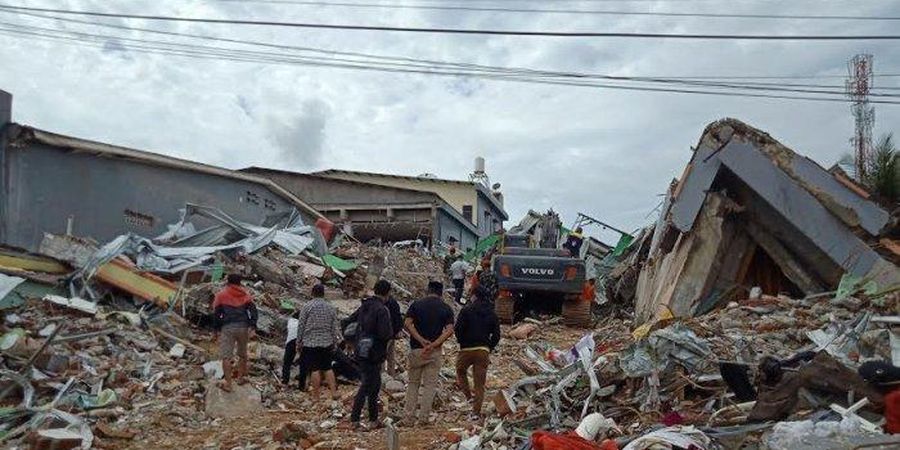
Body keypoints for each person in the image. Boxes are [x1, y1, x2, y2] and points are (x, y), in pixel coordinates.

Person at [404, 281, 455, 425]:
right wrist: (434, 344)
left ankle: (408, 418)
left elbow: (407, 323)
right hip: (434, 352)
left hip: (416, 350)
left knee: (413, 384)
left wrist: (420, 340)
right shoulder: (445, 308)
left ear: (428, 290)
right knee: (430, 385)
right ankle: (423, 418)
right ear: (441, 292)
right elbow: (450, 330)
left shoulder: (416, 305)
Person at [350, 279, 394, 430]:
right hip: (374, 352)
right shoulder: (382, 310)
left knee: (374, 385)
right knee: (368, 384)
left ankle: (373, 419)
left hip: (361, 349)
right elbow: (385, 333)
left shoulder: (365, 305)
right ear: (387, 293)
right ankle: (355, 418)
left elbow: (349, 321)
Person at [454, 285, 501, 420]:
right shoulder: (492, 313)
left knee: (460, 370)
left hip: (467, 349)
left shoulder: (466, 310)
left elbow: (458, 329)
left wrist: (462, 341)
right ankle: (476, 412)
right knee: (480, 383)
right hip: (483, 351)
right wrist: (489, 348)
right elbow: (497, 335)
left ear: (474, 295)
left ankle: (468, 396)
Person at [296, 284, 342, 401]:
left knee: (314, 369)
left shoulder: (307, 306)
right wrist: (334, 341)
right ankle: (334, 392)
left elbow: (301, 325)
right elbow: (334, 326)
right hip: (326, 342)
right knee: (327, 367)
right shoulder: (330, 307)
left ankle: (316, 396)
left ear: (312, 293)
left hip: (310, 342)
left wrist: (299, 341)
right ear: (323, 293)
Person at [213, 274, 258, 392]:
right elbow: (253, 311)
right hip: (243, 327)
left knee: (226, 357)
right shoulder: (245, 294)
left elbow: (217, 314)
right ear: (240, 282)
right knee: (242, 354)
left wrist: (216, 330)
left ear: (228, 282)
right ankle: (240, 378)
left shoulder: (221, 295)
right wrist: (252, 326)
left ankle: (228, 383)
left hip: (227, 328)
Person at [384, 294, 404, 377]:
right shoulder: (394, 303)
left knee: (382, 355)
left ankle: (382, 376)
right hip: (392, 333)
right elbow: (398, 318)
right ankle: (391, 374)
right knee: (391, 356)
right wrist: (398, 330)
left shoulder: (384, 303)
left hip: (385, 334)